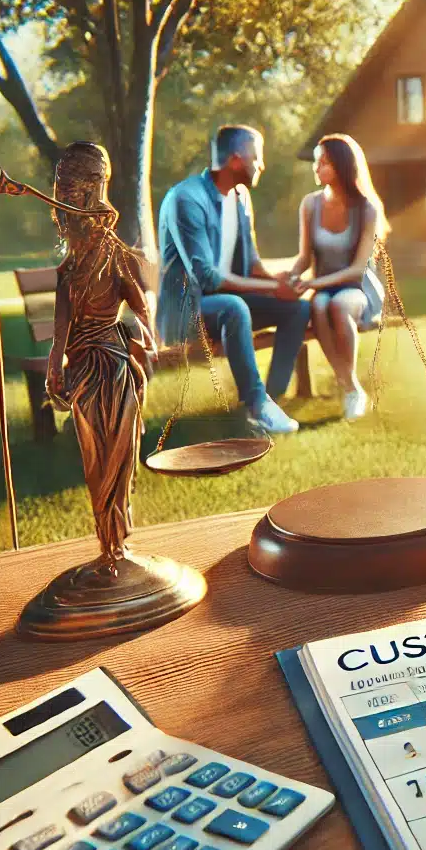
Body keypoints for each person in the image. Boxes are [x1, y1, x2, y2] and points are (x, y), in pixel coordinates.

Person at [157, 124, 310, 434]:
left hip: (225, 306)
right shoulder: (186, 199)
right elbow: (206, 276)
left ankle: (269, 400)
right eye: (258, 157)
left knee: (298, 309)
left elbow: (251, 262)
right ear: (237, 160)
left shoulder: (240, 197)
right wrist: (272, 288)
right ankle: (257, 405)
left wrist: (280, 281)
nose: (262, 165)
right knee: (234, 306)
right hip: (185, 313)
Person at [44, 142, 155, 570]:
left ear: (93, 193)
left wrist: (144, 332)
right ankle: (107, 544)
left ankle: (119, 544)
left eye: (74, 192)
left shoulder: (116, 255)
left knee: (118, 457)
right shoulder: (69, 268)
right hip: (83, 371)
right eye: (62, 193)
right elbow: (61, 326)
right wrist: (55, 366)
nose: (66, 201)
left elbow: (141, 308)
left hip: (113, 367)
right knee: (94, 461)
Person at [288, 133, 389, 422]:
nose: (316, 168)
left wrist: (313, 283)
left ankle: (351, 389)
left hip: (357, 288)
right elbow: (304, 258)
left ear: (343, 166)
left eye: (324, 162)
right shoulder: (310, 204)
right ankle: (351, 388)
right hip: (322, 288)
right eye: (316, 162)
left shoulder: (366, 209)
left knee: (339, 306)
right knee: (318, 306)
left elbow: (359, 269)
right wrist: (291, 277)